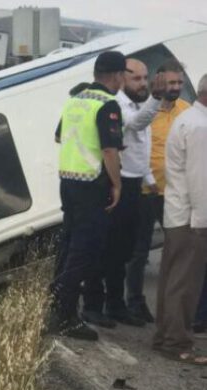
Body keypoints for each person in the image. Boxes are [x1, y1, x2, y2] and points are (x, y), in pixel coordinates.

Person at [82, 59, 167, 328]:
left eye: (145, 78)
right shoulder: (117, 104)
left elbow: (142, 145)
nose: (142, 84)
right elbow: (136, 126)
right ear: (122, 77)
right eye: (137, 79)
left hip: (135, 184)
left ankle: (116, 304)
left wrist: (149, 178)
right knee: (105, 247)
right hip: (114, 182)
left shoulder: (140, 104)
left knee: (124, 249)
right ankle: (94, 305)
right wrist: (156, 98)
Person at [48, 51, 126, 341]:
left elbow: (59, 136)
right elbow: (109, 150)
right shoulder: (108, 104)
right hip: (92, 184)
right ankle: (61, 313)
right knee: (84, 252)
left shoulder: (75, 100)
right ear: (118, 75)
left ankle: (59, 307)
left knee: (69, 247)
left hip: (68, 180)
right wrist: (116, 184)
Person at [126, 60, 191, 323]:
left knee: (177, 250)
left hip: (174, 193)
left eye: (178, 83)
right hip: (144, 191)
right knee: (139, 252)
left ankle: (174, 305)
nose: (173, 87)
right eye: (169, 83)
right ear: (158, 83)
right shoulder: (144, 113)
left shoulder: (187, 112)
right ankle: (134, 302)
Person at [153, 74, 207, 365]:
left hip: (178, 212)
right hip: (192, 217)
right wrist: (202, 222)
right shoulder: (200, 126)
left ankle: (165, 336)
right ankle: (177, 342)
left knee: (172, 280)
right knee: (185, 283)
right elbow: (201, 180)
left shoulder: (189, 119)